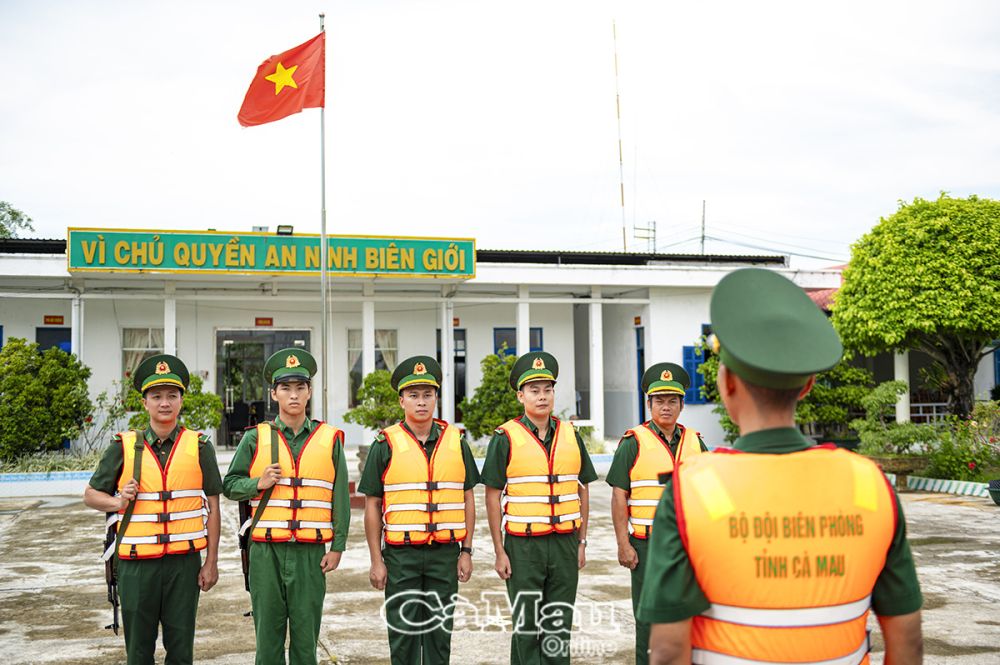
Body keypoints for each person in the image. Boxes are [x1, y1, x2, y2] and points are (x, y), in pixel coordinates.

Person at [639, 268, 924, 665]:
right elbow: (907, 641)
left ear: (728, 383)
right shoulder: (870, 485)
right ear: (807, 386)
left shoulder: (691, 492)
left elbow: (669, 650)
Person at [84, 354, 222, 665]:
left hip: (184, 565)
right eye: (156, 396)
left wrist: (211, 562)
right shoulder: (122, 446)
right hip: (136, 566)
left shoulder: (200, 447)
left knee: (182, 650)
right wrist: (118, 502)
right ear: (145, 402)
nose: (164, 403)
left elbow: (213, 507)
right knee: (139, 652)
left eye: (171, 395)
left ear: (181, 401)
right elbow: (91, 495)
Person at [223, 348, 350, 665]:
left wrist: (338, 546)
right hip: (266, 551)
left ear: (309, 392)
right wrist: (258, 484)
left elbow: (340, 498)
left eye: (300, 388)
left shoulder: (330, 439)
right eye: (285, 388)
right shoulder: (255, 438)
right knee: (267, 641)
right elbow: (230, 484)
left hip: (310, 553)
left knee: (306, 641)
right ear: (274, 393)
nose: (293, 395)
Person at [358, 355, 480, 665]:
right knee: (403, 638)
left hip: (445, 554)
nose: (421, 402)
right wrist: (376, 560)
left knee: (440, 637)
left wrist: (466, 551)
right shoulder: (384, 444)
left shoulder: (457, 441)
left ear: (437, 398)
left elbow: (467, 498)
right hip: (402, 557)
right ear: (401, 401)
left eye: (428, 395)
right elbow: (372, 505)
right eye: (413, 395)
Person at [482, 351, 598, 665]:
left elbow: (582, 488)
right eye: (534, 390)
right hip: (523, 547)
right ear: (521, 396)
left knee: (558, 627)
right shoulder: (505, 437)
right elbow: (492, 496)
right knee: (527, 627)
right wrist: (499, 550)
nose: (542, 396)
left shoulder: (571, 435)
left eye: (547, 389)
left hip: (564, 543)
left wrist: (582, 542)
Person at [605, 362, 708, 665]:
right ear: (648, 404)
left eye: (672, 401)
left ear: (681, 405)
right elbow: (618, 494)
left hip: (689, 547)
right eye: (659, 401)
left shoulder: (695, 442)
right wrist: (624, 544)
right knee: (648, 619)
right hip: (648, 547)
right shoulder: (633, 442)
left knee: (690, 616)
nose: (666, 407)